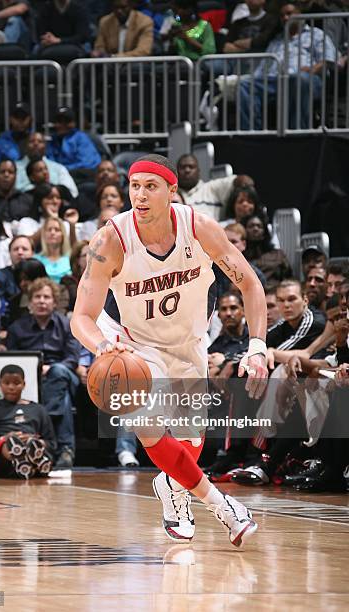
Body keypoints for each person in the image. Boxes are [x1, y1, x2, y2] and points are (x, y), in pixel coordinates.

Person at [71, 154, 268, 547]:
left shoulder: (200, 228)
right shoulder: (110, 240)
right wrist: (102, 345)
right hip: (134, 345)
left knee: (189, 443)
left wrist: (258, 347)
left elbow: (250, 284)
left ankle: (173, 486)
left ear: (171, 192)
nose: (140, 196)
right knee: (148, 426)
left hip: (189, 342)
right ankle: (223, 506)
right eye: (134, 186)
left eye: (151, 187)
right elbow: (81, 317)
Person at [7, 277, 82, 468]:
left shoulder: (67, 325)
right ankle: (66, 450)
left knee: (57, 373)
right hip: (31, 380)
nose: (42, 301)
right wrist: (33, 371)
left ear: (55, 302)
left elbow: (72, 359)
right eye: (37, 297)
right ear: (30, 302)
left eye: (46, 297)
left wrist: (49, 368)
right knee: (61, 396)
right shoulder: (17, 328)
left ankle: (45, 419)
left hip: (64, 373)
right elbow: (12, 361)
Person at [239, 2, 337, 130]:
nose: (285, 18)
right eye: (282, 16)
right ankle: (252, 133)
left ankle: (297, 133)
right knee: (245, 85)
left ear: (300, 14)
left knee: (298, 79)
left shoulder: (316, 34)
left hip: (307, 79)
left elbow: (329, 59)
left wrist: (313, 69)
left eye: (289, 14)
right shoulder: (276, 41)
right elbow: (262, 68)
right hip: (275, 81)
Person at [0, 365, 56, 479]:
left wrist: (35, 441)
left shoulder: (38, 409)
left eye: (16, 383)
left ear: (24, 384)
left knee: (31, 443)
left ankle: (31, 454)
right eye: (6, 383)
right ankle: (24, 458)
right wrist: (4, 438)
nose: (11, 387)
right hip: (3, 464)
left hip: (33, 454)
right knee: (11, 442)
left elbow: (52, 444)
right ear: (0, 384)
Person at [176, 154, 254, 221]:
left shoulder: (211, 188)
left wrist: (245, 184)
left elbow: (242, 180)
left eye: (191, 167)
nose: (187, 170)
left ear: (198, 171)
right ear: (176, 171)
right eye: (183, 167)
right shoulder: (172, 194)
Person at [15, 132, 78, 197]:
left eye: (40, 142)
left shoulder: (58, 168)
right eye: (31, 141)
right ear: (25, 146)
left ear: (45, 146)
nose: (36, 144)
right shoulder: (14, 167)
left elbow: (72, 192)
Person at [46, 107, 101, 178]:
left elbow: (88, 162)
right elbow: (50, 162)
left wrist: (65, 169)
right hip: (61, 174)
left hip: (81, 173)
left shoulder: (80, 137)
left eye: (67, 121)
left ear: (73, 123)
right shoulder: (53, 140)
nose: (62, 125)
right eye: (59, 121)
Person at [0, 158, 33, 224]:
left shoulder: (27, 200)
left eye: (10, 172)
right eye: (2, 172)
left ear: (15, 176)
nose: (6, 175)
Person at [34, 217, 71, 283]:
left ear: (63, 235)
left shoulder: (71, 258)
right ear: (44, 234)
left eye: (57, 230)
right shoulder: (35, 260)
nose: (52, 233)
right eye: (49, 229)